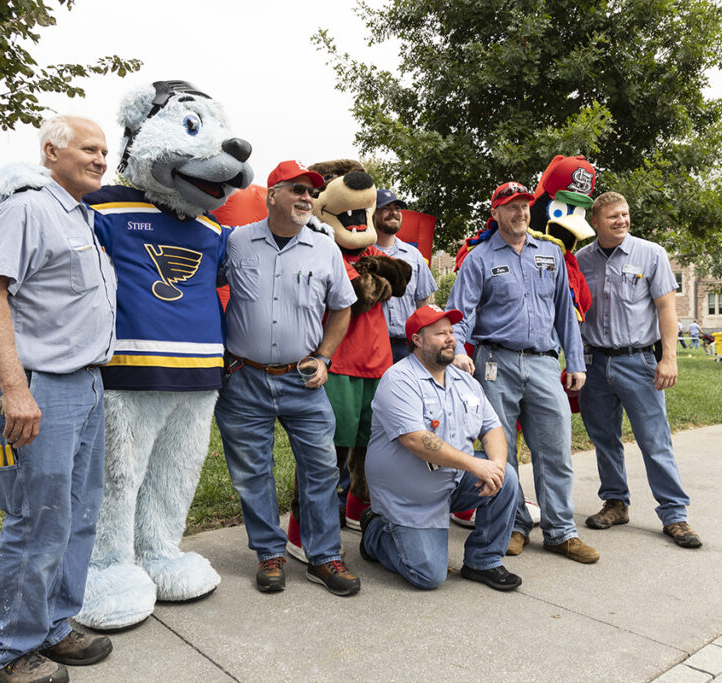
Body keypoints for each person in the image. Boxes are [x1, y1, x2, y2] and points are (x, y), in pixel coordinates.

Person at [0, 116, 118, 682]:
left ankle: (52, 624)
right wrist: (13, 389)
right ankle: (6, 652)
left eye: (105, 150)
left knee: (77, 513)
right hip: (37, 388)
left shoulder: (79, 215)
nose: (101, 158)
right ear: (52, 151)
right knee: (36, 519)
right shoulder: (26, 208)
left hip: (84, 383)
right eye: (89, 148)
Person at [214, 160, 362, 597]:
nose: (306, 198)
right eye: (297, 189)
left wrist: (325, 357)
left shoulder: (324, 247)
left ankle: (323, 557)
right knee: (251, 473)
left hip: (303, 380)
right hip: (244, 380)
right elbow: (203, 287)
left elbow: (342, 306)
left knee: (320, 469)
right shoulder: (236, 243)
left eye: (311, 192)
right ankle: (269, 555)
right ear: (272, 195)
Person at [446, 181, 598, 564]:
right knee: (504, 452)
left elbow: (567, 311)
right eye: (511, 207)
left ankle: (561, 531)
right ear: (495, 212)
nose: (520, 213)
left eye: (525, 206)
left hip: (545, 363)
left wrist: (575, 362)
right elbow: (460, 313)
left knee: (556, 449)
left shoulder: (550, 253)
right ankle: (513, 527)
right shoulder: (479, 258)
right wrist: (456, 354)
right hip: (495, 362)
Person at [361, 305, 521, 591]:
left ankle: (483, 561)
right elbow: (415, 439)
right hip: (409, 500)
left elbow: (492, 428)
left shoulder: (465, 382)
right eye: (440, 333)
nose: (450, 338)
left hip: (453, 483)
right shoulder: (398, 380)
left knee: (505, 476)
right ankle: (376, 530)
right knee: (429, 576)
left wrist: (494, 466)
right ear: (417, 340)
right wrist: (475, 464)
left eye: (451, 332)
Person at [576, 191, 701, 549]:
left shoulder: (651, 254)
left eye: (625, 214)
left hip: (639, 361)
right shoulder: (582, 260)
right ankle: (615, 502)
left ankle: (675, 514)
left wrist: (669, 358)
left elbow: (666, 310)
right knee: (604, 438)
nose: (621, 221)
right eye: (613, 216)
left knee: (654, 439)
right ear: (595, 222)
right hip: (595, 364)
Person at [373, 189, 438, 363]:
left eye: (397, 208)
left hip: (407, 347)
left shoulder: (414, 255)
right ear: (372, 212)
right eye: (386, 208)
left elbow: (424, 304)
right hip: (372, 347)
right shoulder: (362, 255)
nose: (393, 213)